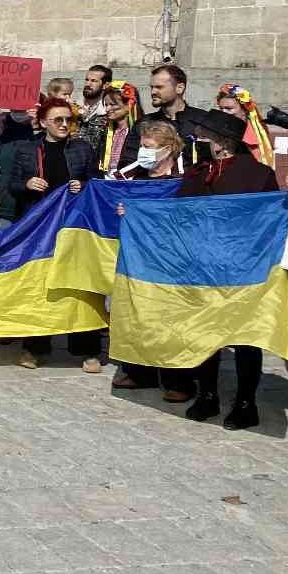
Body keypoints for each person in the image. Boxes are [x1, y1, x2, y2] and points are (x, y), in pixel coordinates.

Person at [166, 108, 279, 430]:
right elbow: (177, 212)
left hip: (242, 267)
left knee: (245, 335)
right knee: (205, 330)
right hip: (201, 265)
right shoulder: (197, 172)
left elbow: (267, 220)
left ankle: (246, 402)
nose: (198, 141)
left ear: (223, 143)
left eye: (204, 136)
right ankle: (208, 394)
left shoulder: (257, 175)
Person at [1, 95, 100, 371]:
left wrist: (84, 184)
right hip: (39, 230)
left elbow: (96, 182)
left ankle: (87, 349)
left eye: (69, 119)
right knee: (39, 288)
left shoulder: (82, 149)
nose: (65, 124)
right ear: (43, 122)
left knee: (80, 287)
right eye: (58, 119)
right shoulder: (26, 149)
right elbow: (11, 185)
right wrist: (27, 183)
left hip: (74, 229)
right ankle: (34, 347)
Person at [109, 119, 187, 394]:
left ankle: (178, 380)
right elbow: (109, 190)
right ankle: (140, 372)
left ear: (168, 149)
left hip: (174, 255)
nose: (143, 152)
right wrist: (120, 207)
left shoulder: (184, 174)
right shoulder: (134, 171)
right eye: (142, 145)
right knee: (139, 310)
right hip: (139, 254)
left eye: (149, 147)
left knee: (171, 316)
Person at [143, 64, 209, 164]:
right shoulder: (145, 123)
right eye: (152, 87)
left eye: (159, 87)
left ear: (179, 88)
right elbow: (130, 159)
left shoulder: (203, 120)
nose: (153, 92)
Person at [215, 84, 277, 167]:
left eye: (229, 108)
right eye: (221, 108)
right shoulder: (217, 129)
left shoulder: (257, 135)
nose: (223, 112)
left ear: (245, 110)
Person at [98, 82, 142, 175]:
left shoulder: (141, 130)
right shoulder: (106, 131)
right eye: (106, 105)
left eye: (112, 104)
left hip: (129, 179)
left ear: (129, 105)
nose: (107, 109)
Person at [77, 65, 113, 152]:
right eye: (87, 80)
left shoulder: (107, 110)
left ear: (105, 85)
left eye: (93, 81)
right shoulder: (76, 105)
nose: (88, 84)